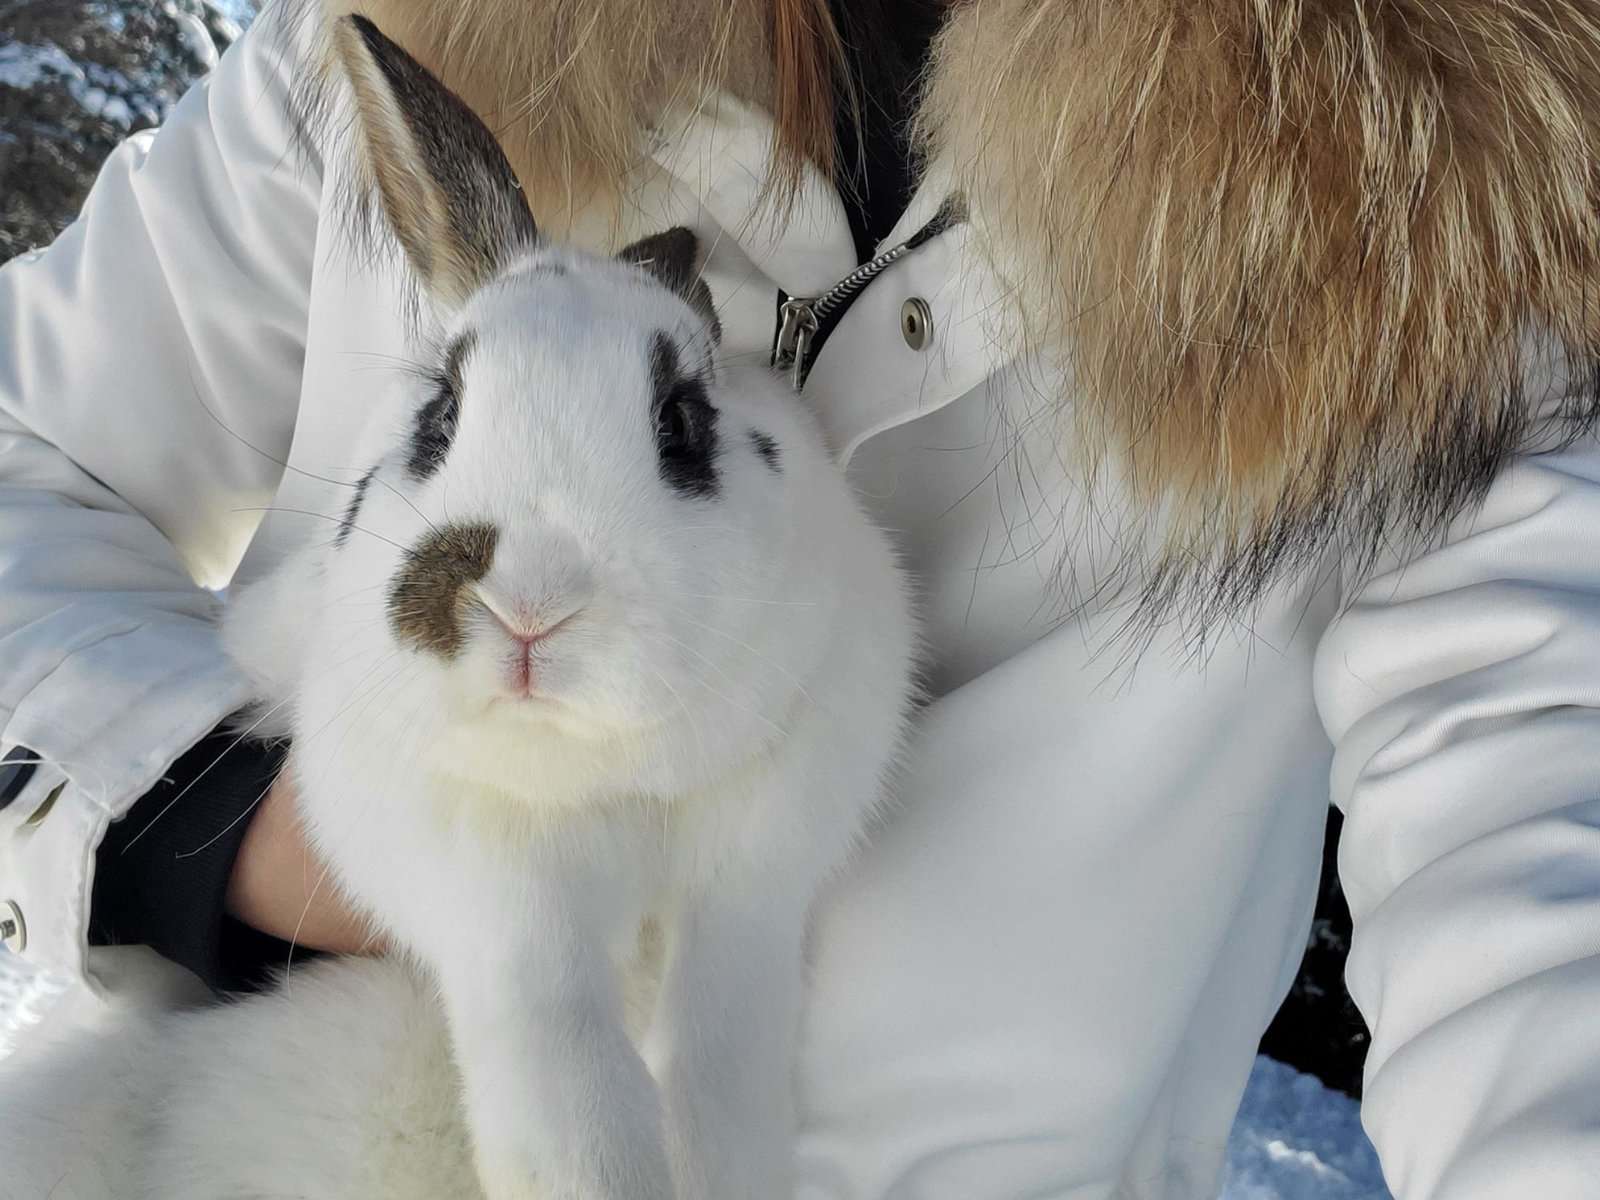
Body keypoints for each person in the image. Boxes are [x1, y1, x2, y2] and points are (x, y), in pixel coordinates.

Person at [3, 1, 1600, 1196]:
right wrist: (217, 824)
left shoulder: (1461, 218)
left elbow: (1544, 842)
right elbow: (30, 449)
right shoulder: (397, 47)